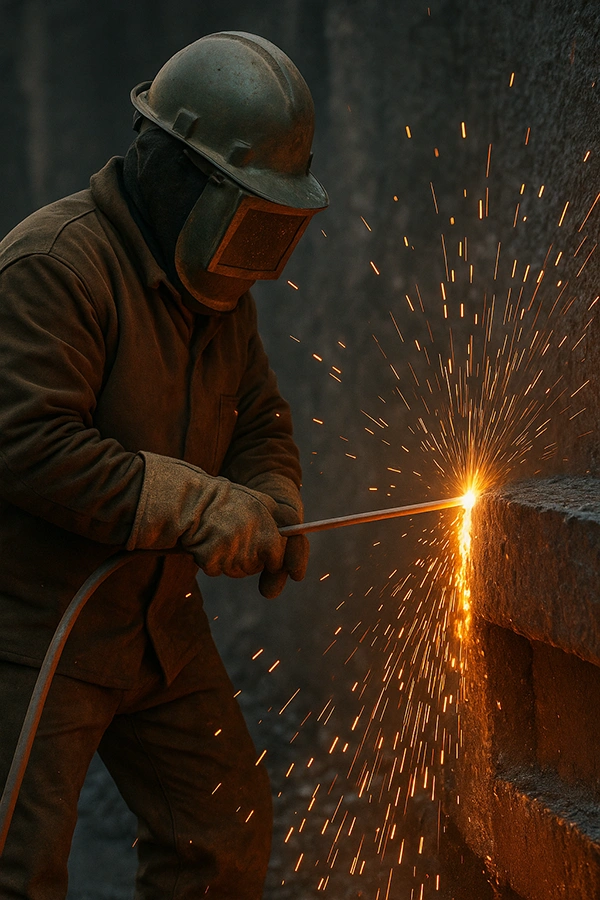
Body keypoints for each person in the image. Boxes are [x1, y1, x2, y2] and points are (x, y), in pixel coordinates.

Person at [0, 31, 328, 899]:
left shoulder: (214, 290)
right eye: (248, 215)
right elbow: (27, 444)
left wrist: (271, 489)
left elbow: (258, 414)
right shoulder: (54, 264)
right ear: (181, 171)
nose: (253, 255)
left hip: (157, 629)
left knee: (223, 832)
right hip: (37, 628)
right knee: (16, 867)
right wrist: (198, 507)